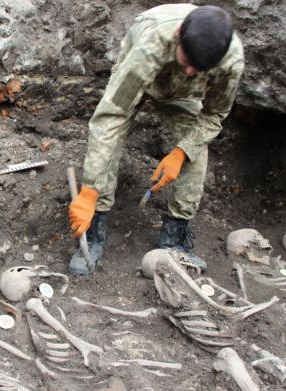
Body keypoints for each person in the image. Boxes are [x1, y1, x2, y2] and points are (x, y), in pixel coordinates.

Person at [68, 4, 244, 275]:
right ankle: (94, 229)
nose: (189, 72)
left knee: (196, 152)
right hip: (140, 78)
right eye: (186, 62)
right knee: (109, 143)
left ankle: (175, 237)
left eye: (198, 69)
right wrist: (90, 191)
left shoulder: (230, 62)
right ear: (178, 34)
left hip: (185, 95)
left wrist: (181, 153)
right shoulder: (151, 45)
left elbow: (214, 115)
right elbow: (110, 118)